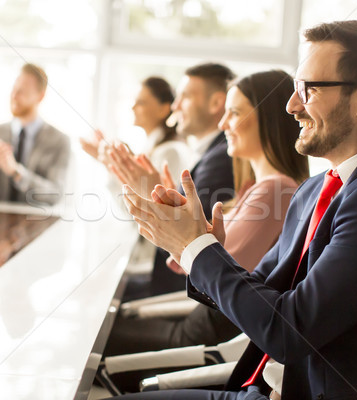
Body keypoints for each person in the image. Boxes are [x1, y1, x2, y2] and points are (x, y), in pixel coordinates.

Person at [118, 20, 357, 400]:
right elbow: (259, 294)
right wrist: (197, 246)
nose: (292, 105)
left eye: (306, 89)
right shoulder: (316, 189)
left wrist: (199, 251)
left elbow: (289, 332)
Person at [104, 70, 308, 360]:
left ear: (267, 120)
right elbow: (207, 264)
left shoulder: (276, 190)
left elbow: (214, 274)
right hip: (202, 320)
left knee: (92, 333)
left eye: (234, 113)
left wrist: (179, 229)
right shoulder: (261, 188)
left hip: (204, 333)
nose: (223, 124)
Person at [110, 63, 237, 299]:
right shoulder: (207, 153)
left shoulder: (221, 158)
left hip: (177, 289)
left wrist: (151, 194)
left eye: (185, 97)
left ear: (216, 103)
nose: (175, 106)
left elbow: (189, 235)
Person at [0, 63, 70, 206]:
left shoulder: (59, 141)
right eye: (14, 89)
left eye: (22, 91)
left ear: (40, 96)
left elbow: (55, 196)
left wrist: (16, 173)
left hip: (36, 225)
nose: (14, 96)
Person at [80, 76, 192, 188]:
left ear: (163, 110)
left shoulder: (170, 153)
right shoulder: (153, 148)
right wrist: (112, 162)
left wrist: (114, 164)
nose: (133, 107)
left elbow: (143, 204)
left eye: (141, 102)